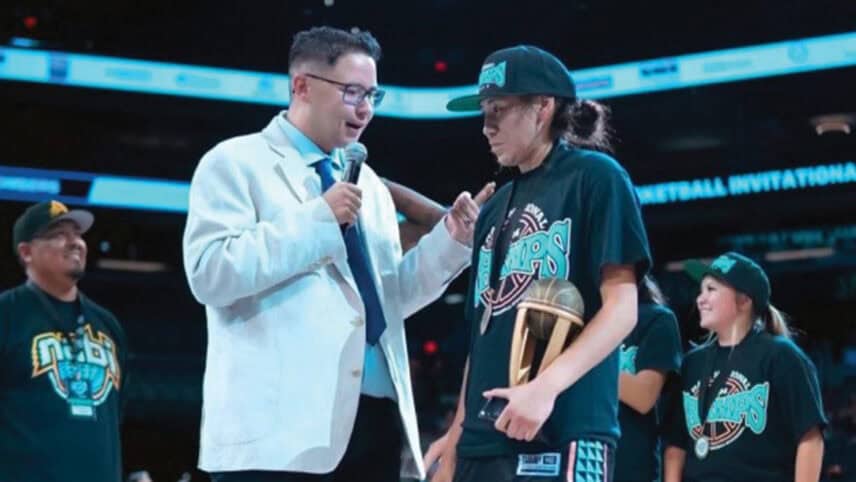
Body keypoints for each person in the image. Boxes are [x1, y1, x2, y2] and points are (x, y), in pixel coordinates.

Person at [182, 26, 484, 482]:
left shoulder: (370, 188)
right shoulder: (235, 162)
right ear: (301, 85)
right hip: (277, 437)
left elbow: (390, 300)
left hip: (374, 422)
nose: (364, 109)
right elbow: (210, 275)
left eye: (372, 95)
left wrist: (451, 241)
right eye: (351, 92)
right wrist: (319, 220)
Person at [425, 44, 652, 482]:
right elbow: (484, 325)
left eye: (499, 110)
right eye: (483, 112)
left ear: (543, 107)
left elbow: (622, 308)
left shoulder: (596, 178)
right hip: (482, 439)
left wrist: (544, 389)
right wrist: (456, 432)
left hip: (563, 429)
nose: (487, 126)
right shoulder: (493, 206)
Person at [663, 251, 826, 482]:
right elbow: (676, 445)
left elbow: (810, 437)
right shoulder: (692, 363)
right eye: (701, 290)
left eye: (711, 289)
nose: (700, 298)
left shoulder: (781, 356)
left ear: (744, 300)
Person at [0, 200, 126, 482]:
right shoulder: (7, 315)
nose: (75, 243)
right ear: (26, 251)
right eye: (58, 235)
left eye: (78, 234)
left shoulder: (108, 326)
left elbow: (115, 418)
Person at [614, 275, 682, 482]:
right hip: (582, 458)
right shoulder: (583, 320)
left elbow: (643, 397)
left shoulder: (656, 319)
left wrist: (584, 358)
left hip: (631, 467)